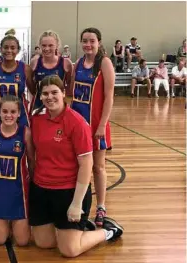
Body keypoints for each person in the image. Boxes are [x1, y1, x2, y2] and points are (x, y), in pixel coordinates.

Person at [29, 75, 123, 258]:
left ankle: (108, 232)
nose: (50, 97)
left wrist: (76, 203)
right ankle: (75, 228)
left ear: (64, 93)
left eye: (54, 92)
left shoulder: (76, 122)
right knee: (43, 243)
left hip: (68, 191)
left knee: (69, 250)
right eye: (45, 93)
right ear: (40, 96)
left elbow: (87, 165)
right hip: (42, 188)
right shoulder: (37, 119)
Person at [71, 27, 115, 227]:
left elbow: (109, 97)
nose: (88, 44)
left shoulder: (104, 63)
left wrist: (102, 125)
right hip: (78, 125)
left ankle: (101, 207)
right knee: (78, 167)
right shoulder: (77, 63)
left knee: (98, 167)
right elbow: (71, 95)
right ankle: (79, 203)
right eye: (85, 41)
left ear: (99, 42)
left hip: (96, 124)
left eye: (92, 41)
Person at [0, 95, 34, 246]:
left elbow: (31, 160)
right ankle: (7, 224)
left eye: (12, 112)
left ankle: (14, 224)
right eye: (4, 111)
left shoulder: (25, 133)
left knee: (22, 242)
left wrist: (33, 183)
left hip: (19, 193)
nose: (8, 115)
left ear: (18, 113)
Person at [0, 33, 34, 127]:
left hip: (20, 114)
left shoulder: (25, 69)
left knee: (23, 140)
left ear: (18, 50)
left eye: (13, 48)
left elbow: (33, 91)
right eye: (6, 47)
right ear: (0, 49)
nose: (9, 50)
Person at [30, 30, 74, 111]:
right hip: (39, 106)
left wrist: (66, 104)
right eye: (44, 45)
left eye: (50, 45)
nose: (46, 49)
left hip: (58, 106)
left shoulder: (66, 63)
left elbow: (69, 88)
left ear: (57, 45)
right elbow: (32, 89)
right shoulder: (34, 62)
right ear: (39, 46)